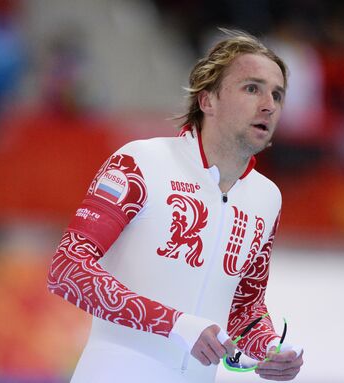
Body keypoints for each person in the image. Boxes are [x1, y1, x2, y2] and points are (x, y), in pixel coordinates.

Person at [47, 29, 304, 383]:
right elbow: (68, 269)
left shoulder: (267, 198)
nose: (269, 104)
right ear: (207, 100)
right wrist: (174, 323)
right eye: (252, 88)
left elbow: (245, 307)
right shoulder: (140, 162)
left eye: (277, 94)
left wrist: (271, 348)